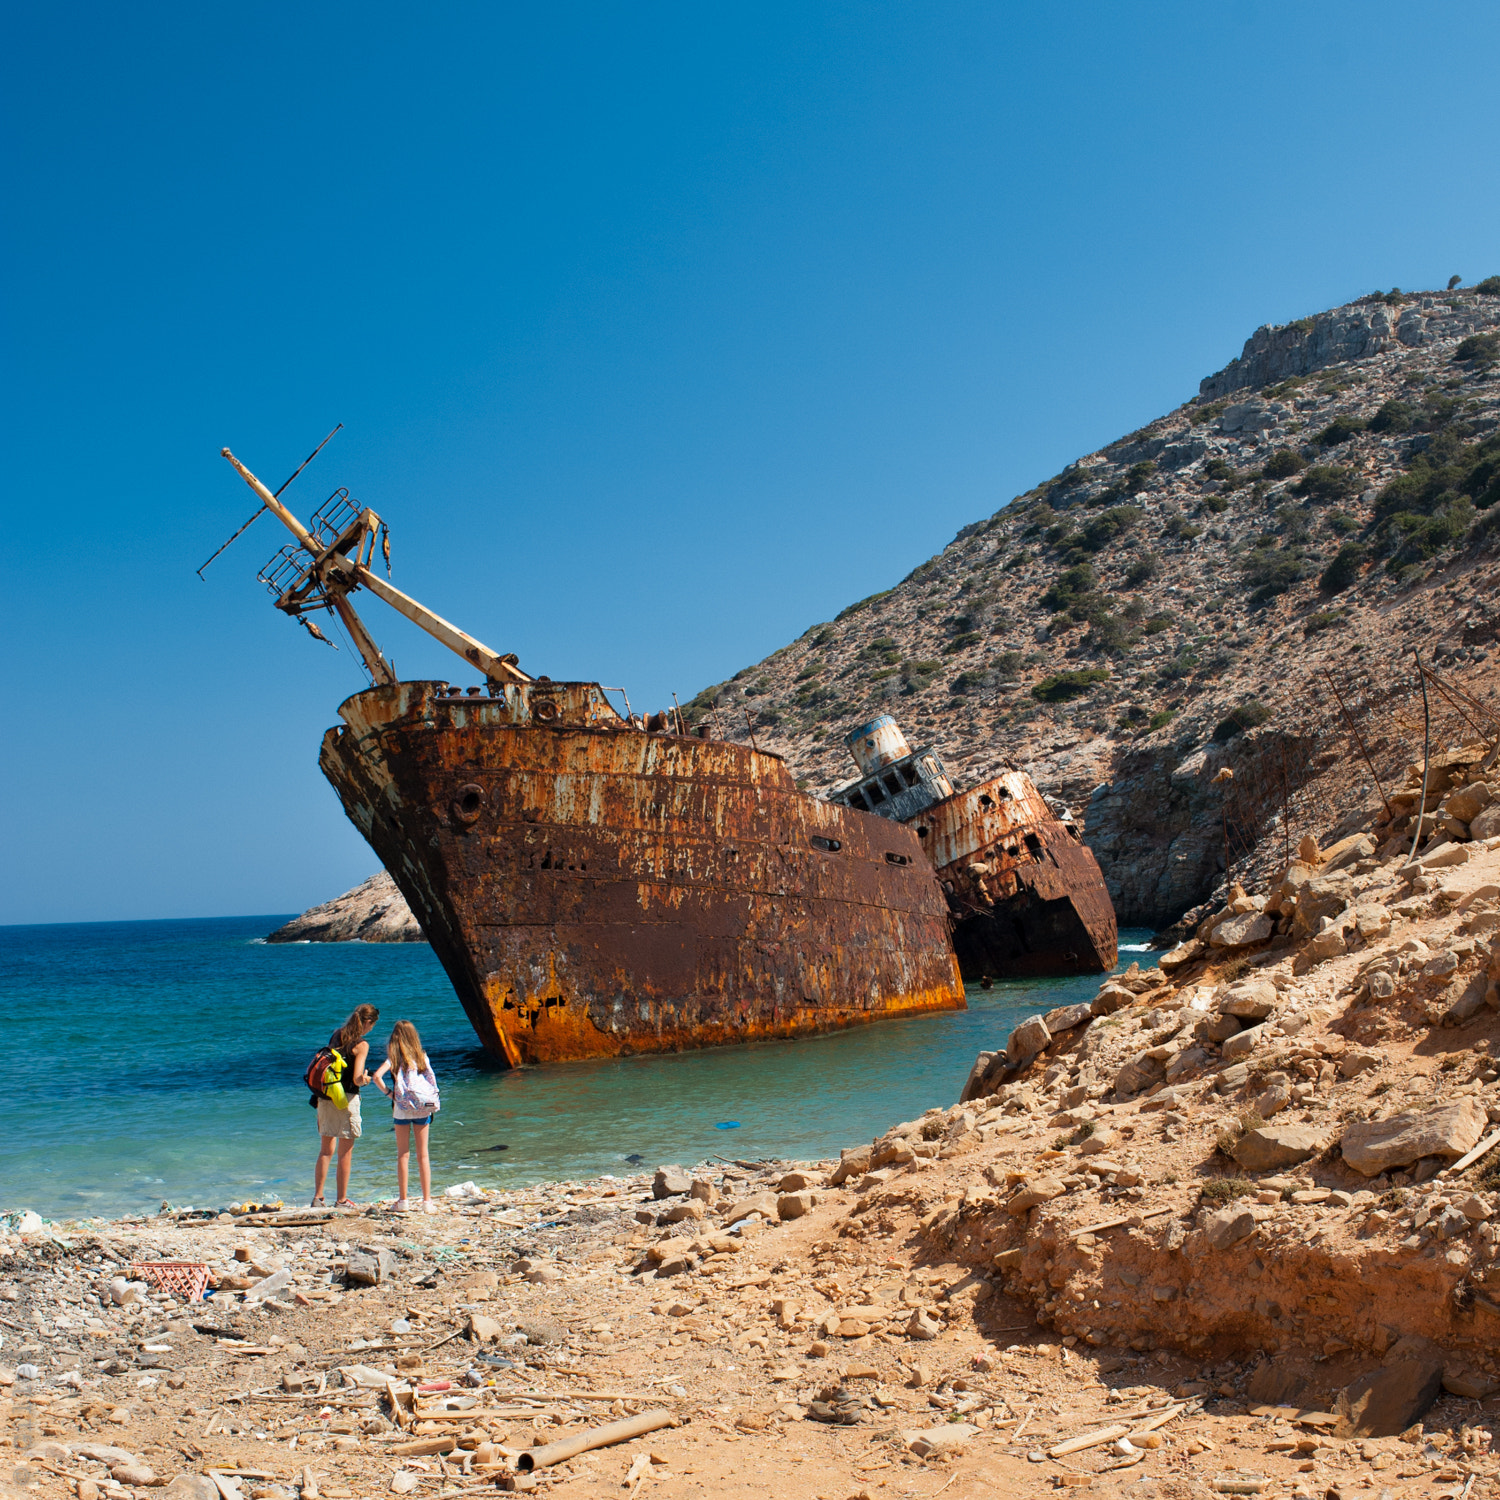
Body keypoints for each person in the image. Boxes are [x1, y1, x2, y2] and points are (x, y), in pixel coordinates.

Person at [311, 1003, 379, 1207]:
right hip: (346, 1100)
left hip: (325, 1097)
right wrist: (366, 1079)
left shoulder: (336, 1034)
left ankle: (318, 1198)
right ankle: (341, 1200)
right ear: (368, 1022)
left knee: (325, 1151)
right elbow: (357, 1078)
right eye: (373, 1024)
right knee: (345, 1153)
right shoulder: (361, 1045)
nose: (372, 1028)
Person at [372, 1020, 441, 1214]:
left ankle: (403, 1201)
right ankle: (427, 1202)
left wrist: (389, 1094)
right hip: (422, 1108)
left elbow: (377, 1076)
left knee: (403, 1154)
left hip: (401, 1108)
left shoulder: (393, 1058)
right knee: (423, 1155)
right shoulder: (421, 1056)